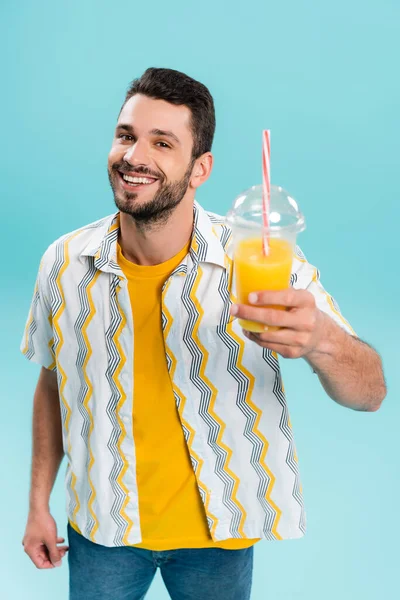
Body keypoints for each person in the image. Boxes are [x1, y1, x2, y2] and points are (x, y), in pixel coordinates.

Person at [20, 67, 386, 600]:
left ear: (199, 169)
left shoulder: (259, 258)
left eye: (162, 143)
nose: (133, 156)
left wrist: (322, 341)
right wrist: (37, 507)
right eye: (126, 135)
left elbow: (371, 393)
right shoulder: (63, 263)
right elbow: (54, 387)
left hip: (221, 536)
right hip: (103, 529)